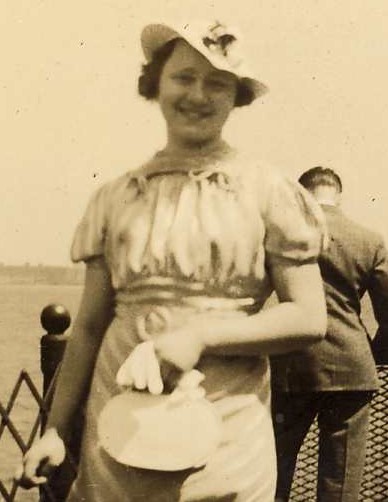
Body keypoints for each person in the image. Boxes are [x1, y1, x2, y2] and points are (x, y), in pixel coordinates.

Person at [17, 21, 327, 501]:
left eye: (218, 83)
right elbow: (90, 327)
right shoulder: (115, 197)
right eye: (184, 77)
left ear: (236, 96)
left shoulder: (269, 192)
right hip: (116, 439)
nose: (198, 95)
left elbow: (309, 317)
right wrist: (56, 430)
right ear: (155, 83)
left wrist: (200, 334)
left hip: (227, 443)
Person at [271, 166, 388, 502]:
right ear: (337, 194)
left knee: (274, 471)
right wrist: (376, 355)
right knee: (340, 484)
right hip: (352, 371)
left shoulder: (282, 235)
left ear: (301, 196)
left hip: (292, 367)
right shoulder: (368, 239)